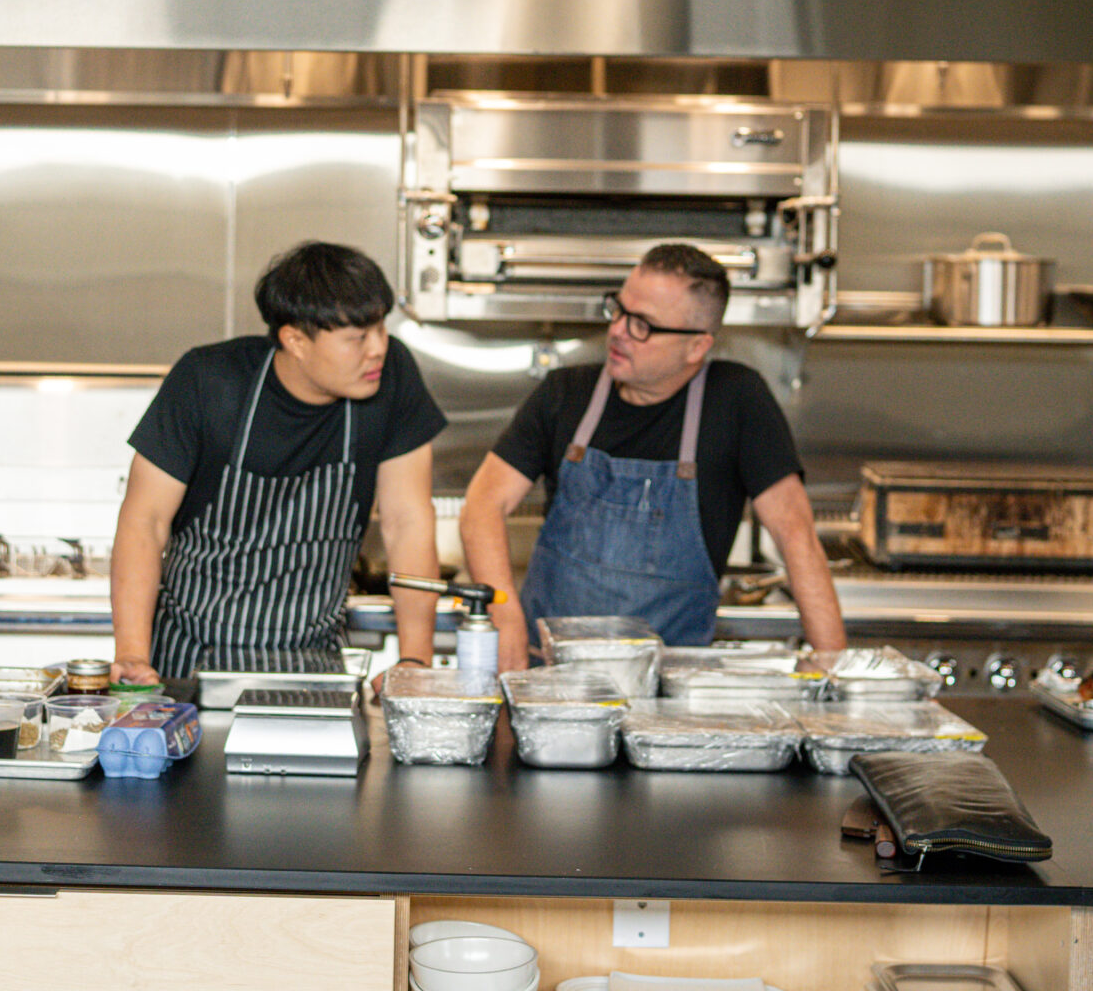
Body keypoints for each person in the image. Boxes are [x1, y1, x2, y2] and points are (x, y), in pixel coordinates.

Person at [459, 243, 845, 655]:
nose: (618, 331)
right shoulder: (565, 394)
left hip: (669, 695)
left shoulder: (737, 401)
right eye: (619, 310)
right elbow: (482, 506)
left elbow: (796, 536)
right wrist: (508, 624)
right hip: (550, 683)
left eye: (642, 324)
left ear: (697, 346)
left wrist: (836, 676)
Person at [111, 242, 446, 684]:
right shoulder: (208, 381)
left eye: (382, 328)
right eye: (357, 337)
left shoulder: (392, 377)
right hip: (189, 662)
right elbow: (144, 521)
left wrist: (415, 662)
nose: (378, 349)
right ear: (295, 340)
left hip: (313, 664)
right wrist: (133, 656)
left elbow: (408, 522)